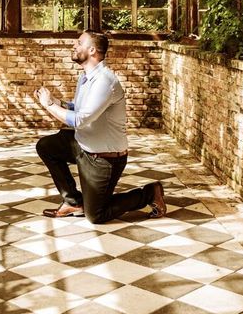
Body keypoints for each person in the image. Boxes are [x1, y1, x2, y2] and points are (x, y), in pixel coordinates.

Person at [35, 30, 166, 223]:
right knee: (46, 146)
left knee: (96, 215)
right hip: (83, 145)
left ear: (93, 50)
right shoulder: (86, 77)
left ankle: (149, 194)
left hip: (103, 158)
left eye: (79, 43)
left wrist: (49, 105)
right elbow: (78, 108)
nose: (74, 45)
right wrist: (57, 101)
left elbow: (80, 120)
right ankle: (73, 201)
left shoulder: (105, 82)